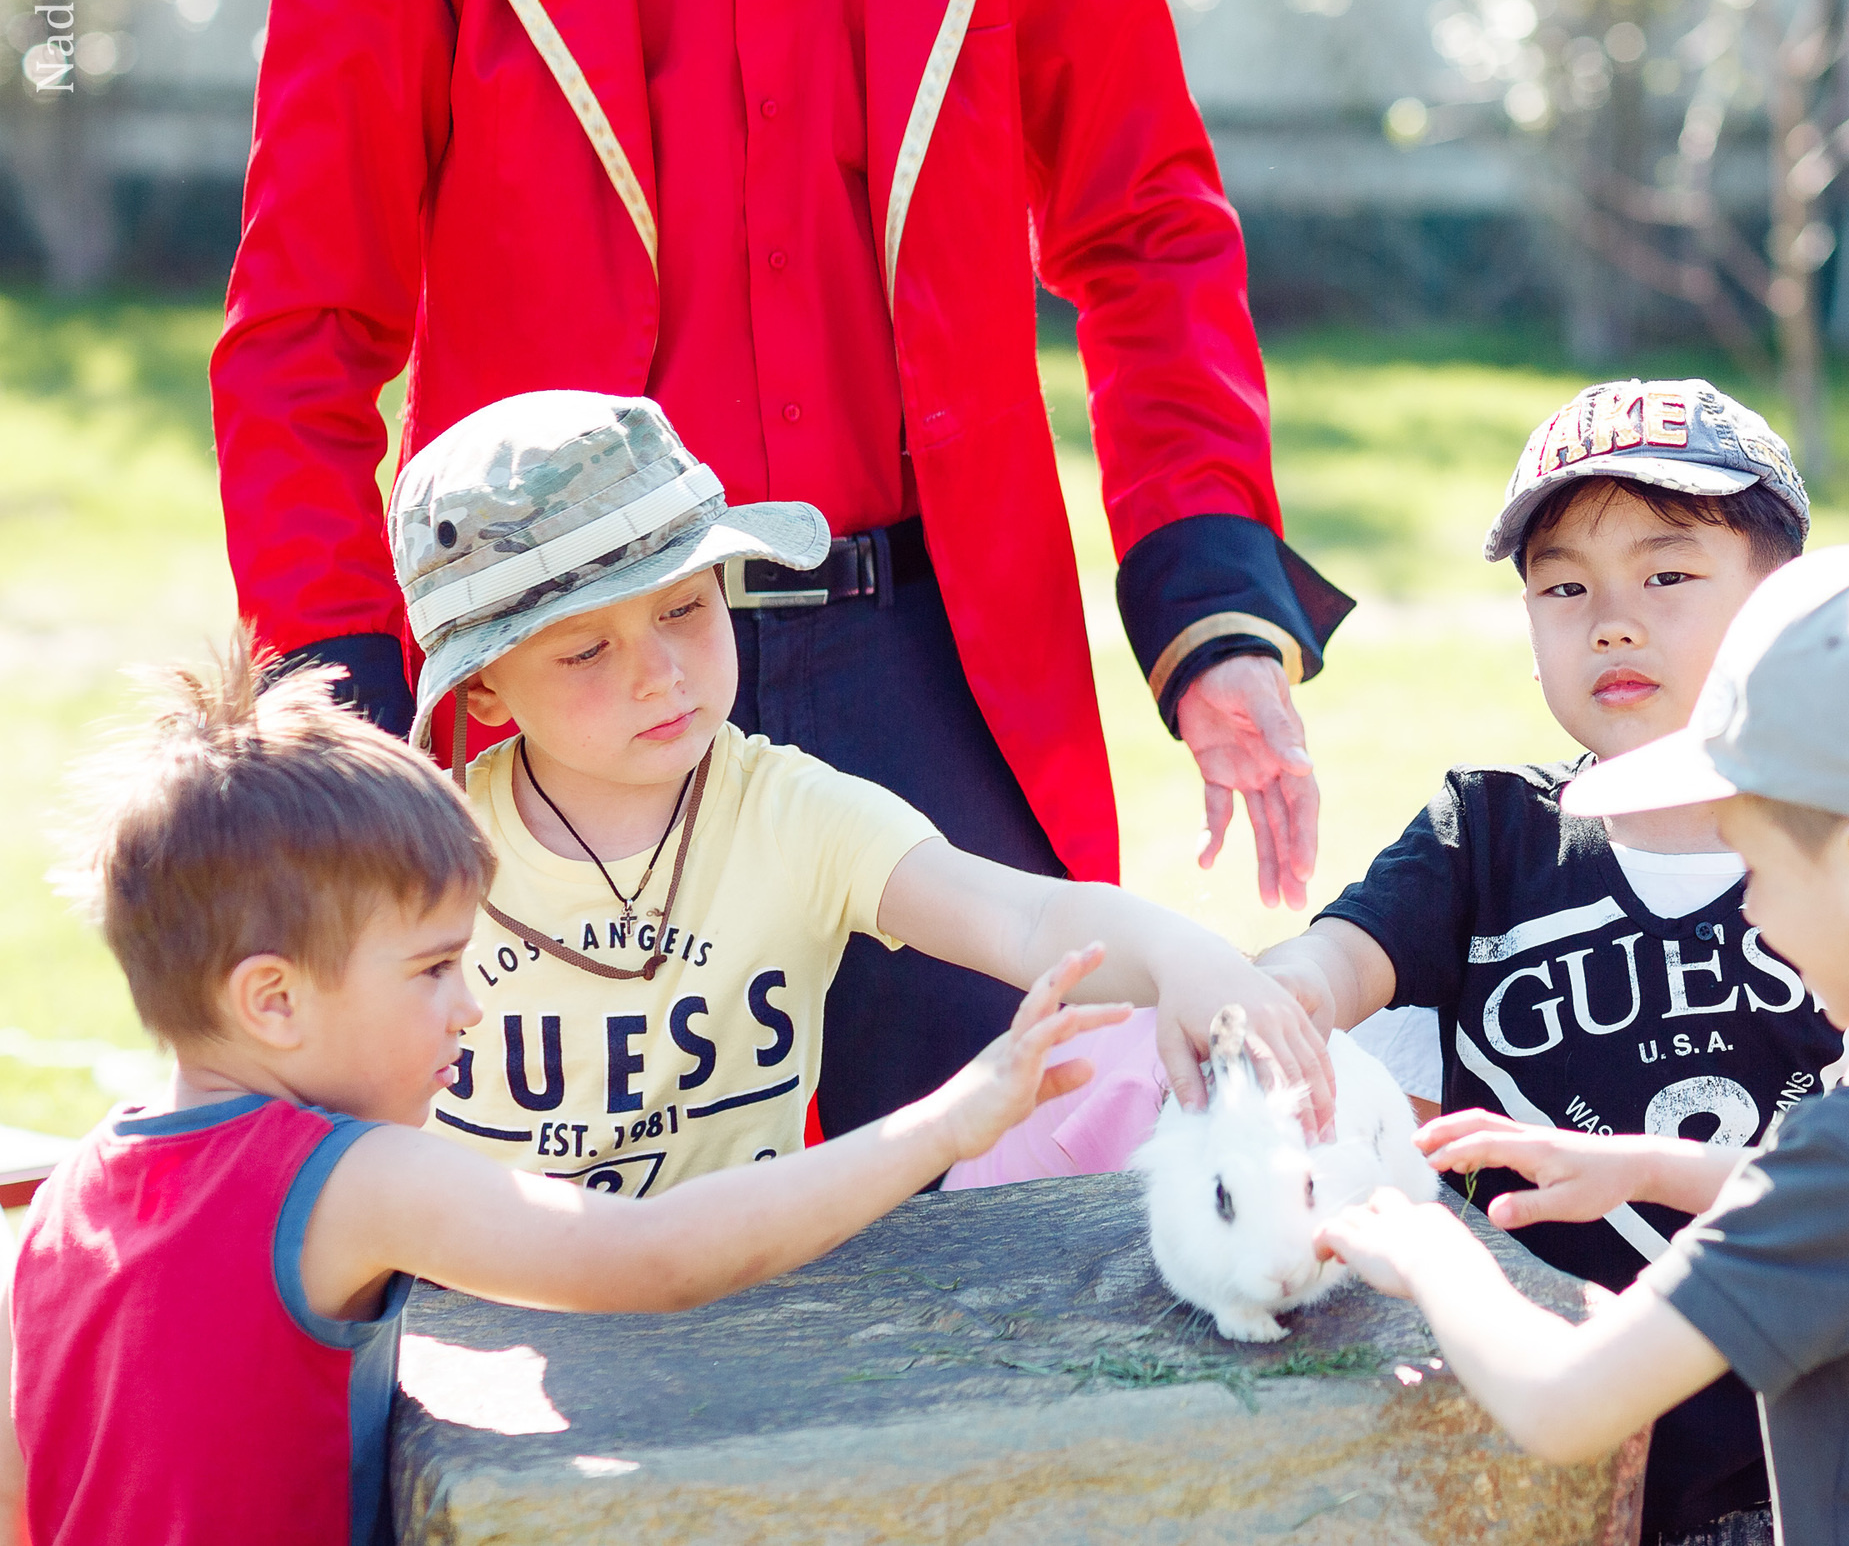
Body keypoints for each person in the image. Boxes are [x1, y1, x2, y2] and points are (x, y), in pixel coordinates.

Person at [209, 0, 1351, 1146]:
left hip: (930, 663)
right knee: (523, 1277)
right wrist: (343, 726)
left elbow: (1147, 225)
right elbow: (306, 318)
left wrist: (1211, 602)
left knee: (1005, 1244)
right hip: (555, 682)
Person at [0, 642, 1131, 1546]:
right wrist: (958, 1115)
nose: (468, 1008)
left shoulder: (68, 1202)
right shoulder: (350, 1178)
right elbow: (653, 1257)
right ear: (274, 1002)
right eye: (435, 969)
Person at [1318, 543, 1849, 1546]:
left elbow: (1565, 1404)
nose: (1753, 912)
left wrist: (1434, 1253)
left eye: (1755, 868)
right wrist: (1648, 1165)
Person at [396, 391, 1333, 1190]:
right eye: (588, 648)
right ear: (484, 686)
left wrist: (1189, 959)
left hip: (754, 1306)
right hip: (492, 1314)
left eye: (685, 605)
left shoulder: (792, 812)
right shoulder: (418, 860)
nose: (661, 673)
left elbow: (1024, 920)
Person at [1254, 379, 1844, 1545]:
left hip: (1814, 1459)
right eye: (1564, 587)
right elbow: (1341, 959)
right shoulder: (1486, 834)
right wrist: (1276, 995)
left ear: (1785, 611)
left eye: (1667, 577)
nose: (1611, 622)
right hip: (1539, 1458)